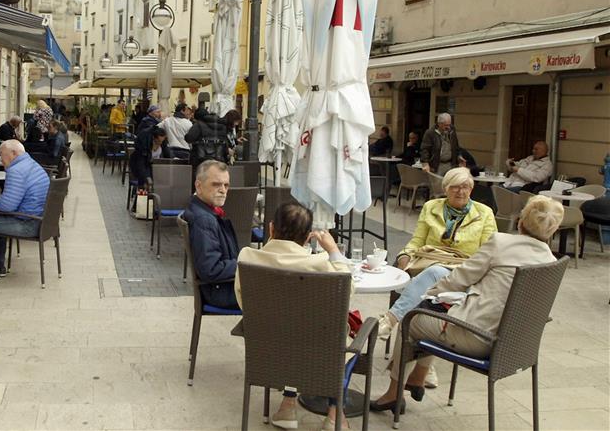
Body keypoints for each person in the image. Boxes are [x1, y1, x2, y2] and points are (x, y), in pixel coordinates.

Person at [370, 195, 563, 413]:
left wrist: (428, 294)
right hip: (515, 345)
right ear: (552, 230)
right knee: (434, 311)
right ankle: (417, 378)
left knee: (412, 319)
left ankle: (393, 394)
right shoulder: (551, 262)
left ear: (521, 221)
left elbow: (458, 279)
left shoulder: (501, 243)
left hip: (477, 337)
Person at [234, 202, 353, 431]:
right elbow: (346, 293)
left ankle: (288, 405)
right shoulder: (320, 265)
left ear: (271, 229)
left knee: (291, 329)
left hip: (267, 347)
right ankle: (335, 414)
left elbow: (242, 301)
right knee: (344, 333)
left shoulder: (247, 258)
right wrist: (334, 252)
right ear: (309, 237)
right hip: (317, 351)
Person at [378, 167, 497, 386]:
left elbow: (487, 254)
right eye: (455, 187)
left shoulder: (484, 213)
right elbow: (417, 241)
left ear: (471, 189)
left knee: (431, 279)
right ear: (445, 189)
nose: (461, 192)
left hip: (464, 272)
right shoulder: (431, 207)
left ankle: (391, 319)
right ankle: (426, 367)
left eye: (466, 187)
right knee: (428, 287)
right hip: (428, 264)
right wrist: (405, 257)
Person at [0, 140, 50, 280]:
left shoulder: (16, 170)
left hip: (28, 224)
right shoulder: (32, 165)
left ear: (13, 153)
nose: (0, 159)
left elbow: (7, 207)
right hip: (41, 222)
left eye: (2, 154)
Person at [182, 160, 239, 309]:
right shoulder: (204, 219)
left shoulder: (201, 209)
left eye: (226, 185)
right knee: (277, 293)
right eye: (216, 184)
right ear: (198, 186)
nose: (223, 190)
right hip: (220, 292)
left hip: (222, 287)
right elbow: (210, 269)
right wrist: (245, 263)